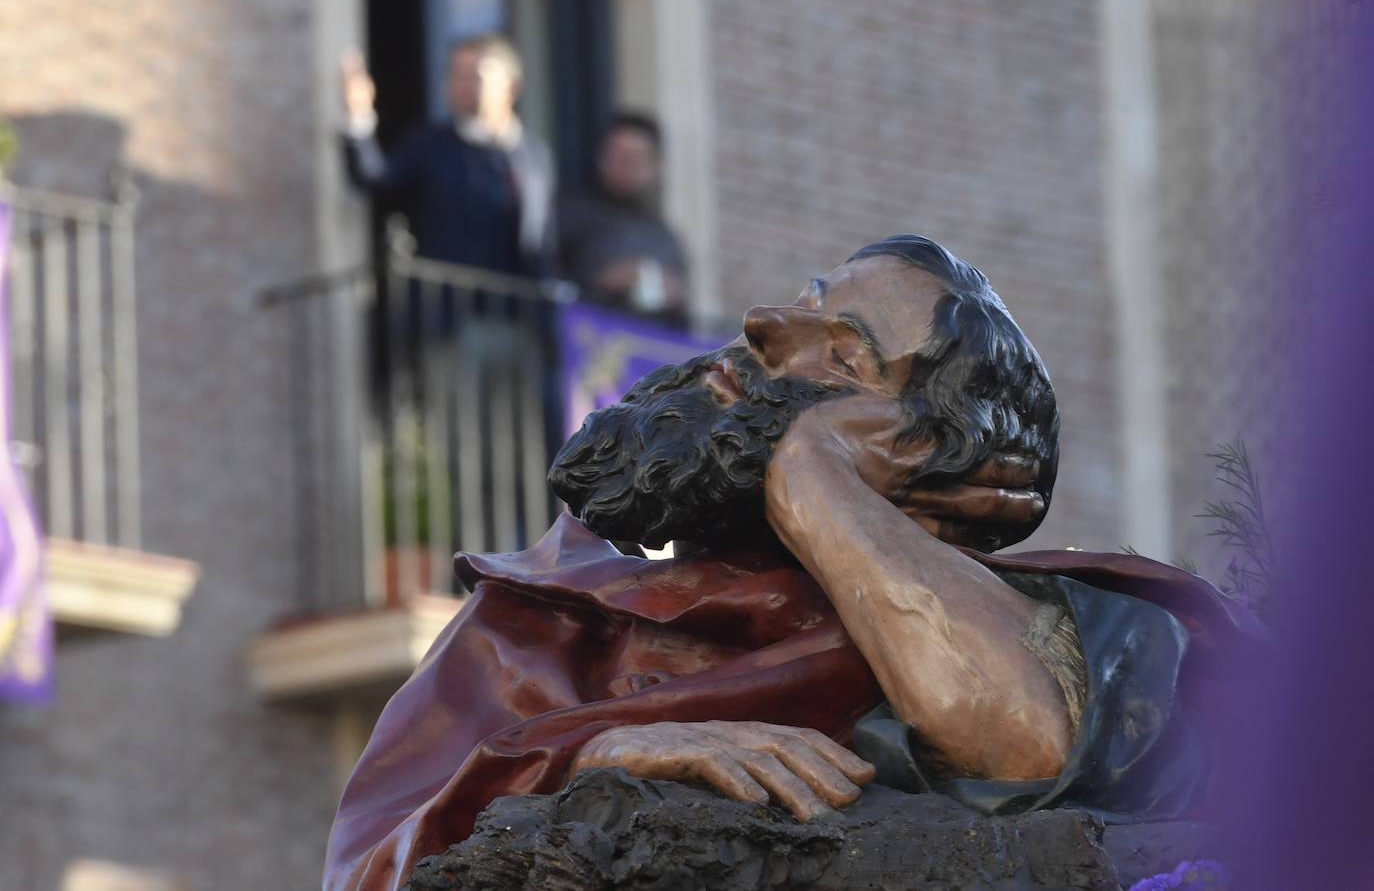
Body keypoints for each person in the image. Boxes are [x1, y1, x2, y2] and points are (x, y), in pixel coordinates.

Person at [324, 234, 1263, 890]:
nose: (765, 324)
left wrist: (812, 474)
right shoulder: (537, 621)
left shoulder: (1075, 626)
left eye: (845, 358)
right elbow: (372, 869)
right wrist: (588, 755)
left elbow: (1025, 746)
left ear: (916, 456)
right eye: (809, 299)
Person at [340, 34, 555, 278]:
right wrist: (359, 116)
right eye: (455, 75)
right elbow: (377, 177)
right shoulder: (428, 145)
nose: (461, 85)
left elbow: (541, 236)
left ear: (511, 87)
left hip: (517, 305)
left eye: (473, 76)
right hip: (449, 304)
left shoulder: (534, 154)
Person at [558, 112, 688, 321]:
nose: (626, 165)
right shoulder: (568, 212)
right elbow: (546, 278)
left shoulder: (664, 236)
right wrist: (604, 279)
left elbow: (683, 314)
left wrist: (674, 293)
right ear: (601, 158)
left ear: (655, 167)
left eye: (636, 158)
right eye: (619, 156)